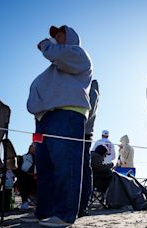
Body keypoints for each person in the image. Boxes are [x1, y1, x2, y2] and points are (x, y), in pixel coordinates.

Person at [26, 25, 92, 226]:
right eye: (54, 37)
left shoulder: (78, 55)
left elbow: (57, 54)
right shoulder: (53, 68)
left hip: (67, 114)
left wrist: (46, 46)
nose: (55, 38)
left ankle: (64, 214)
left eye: (60, 35)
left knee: (66, 165)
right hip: (43, 119)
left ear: (70, 37)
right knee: (44, 167)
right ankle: (45, 211)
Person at [78, 79, 100, 217]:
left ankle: (82, 206)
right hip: (81, 132)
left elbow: (89, 110)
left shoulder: (92, 87)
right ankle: (81, 205)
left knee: (84, 169)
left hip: (83, 133)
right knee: (83, 169)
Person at [13, 143, 37, 211]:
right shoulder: (23, 157)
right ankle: (25, 202)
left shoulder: (40, 158)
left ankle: (32, 201)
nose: (33, 148)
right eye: (32, 146)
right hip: (25, 178)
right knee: (23, 179)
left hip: (36, 178)